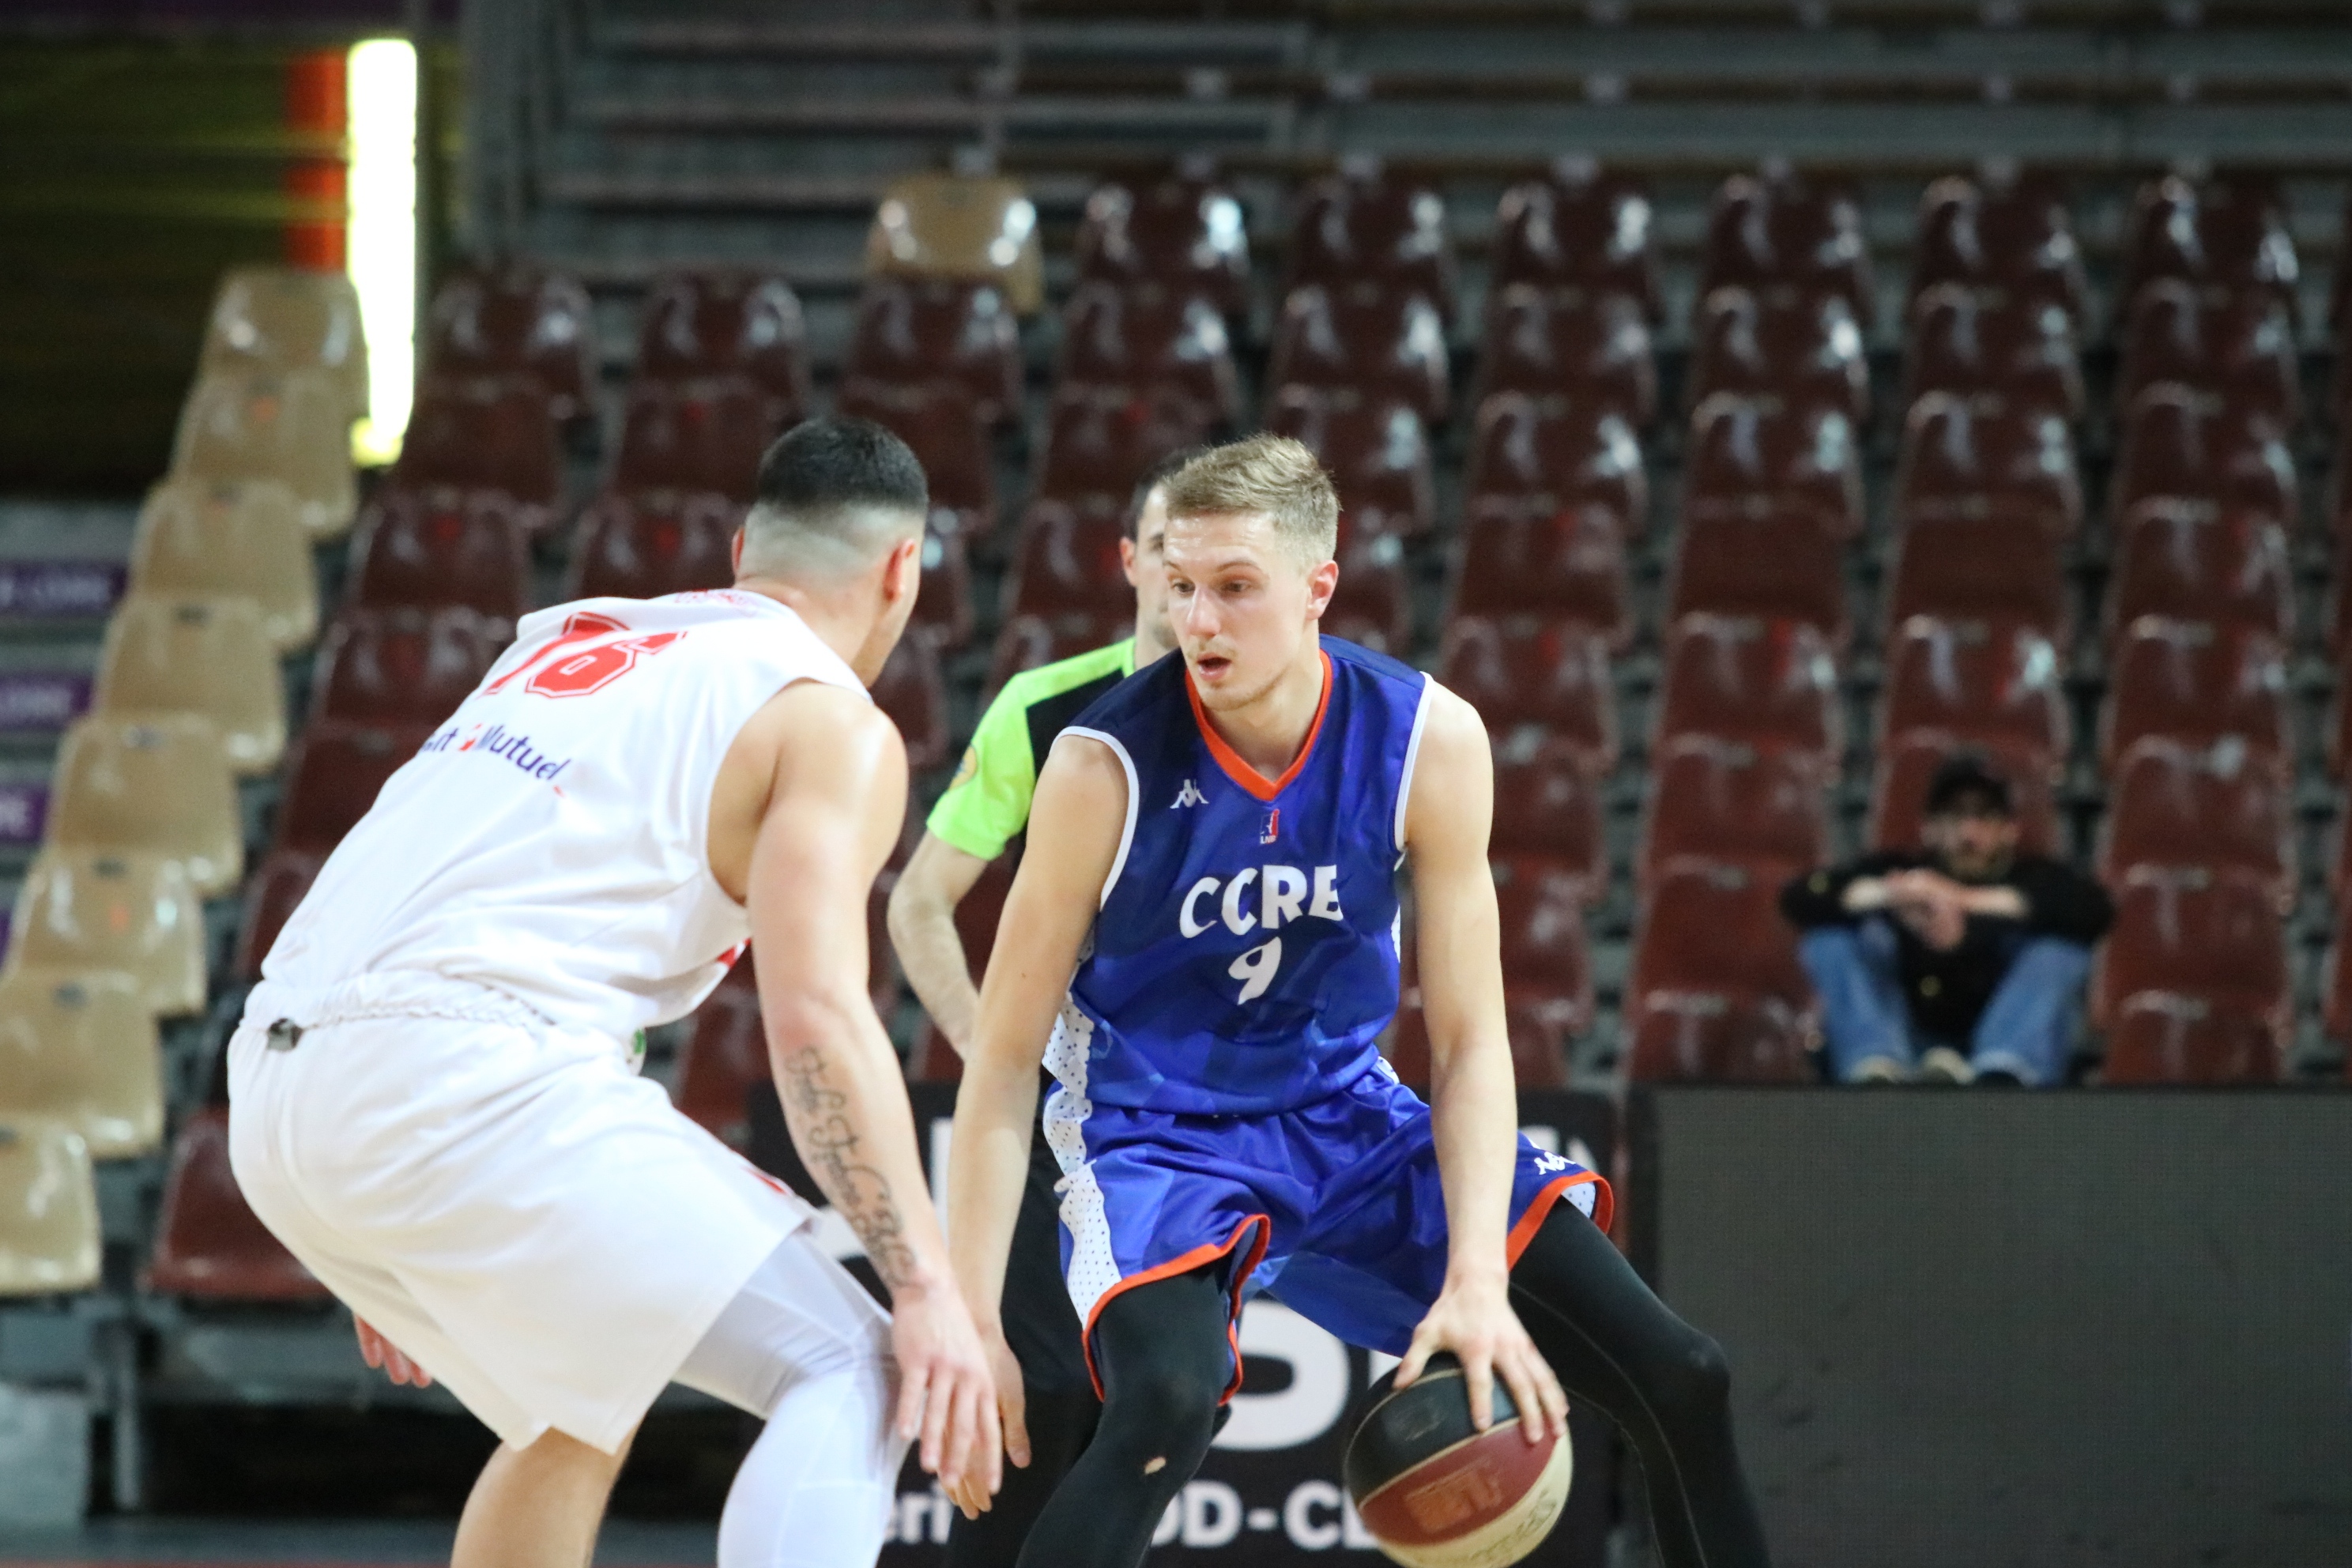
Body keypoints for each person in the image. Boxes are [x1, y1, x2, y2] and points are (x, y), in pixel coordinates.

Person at [944, 435, 1771, 1568]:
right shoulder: (1100, 767)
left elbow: (1473, 1042)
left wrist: (1478, 1280)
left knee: (1682, 1377)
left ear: (1317, 587)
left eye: (1236, 589)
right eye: (1180, 586)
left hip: (1346, 1116)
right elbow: (998, 1063)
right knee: (1165, 1408)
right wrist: (972, 1319)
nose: (1201, 622)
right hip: (1152, 1134)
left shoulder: (1427, 739)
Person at [227, 419, 998, 1568]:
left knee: (577, 1396)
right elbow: (819, 1020)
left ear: (741, 552)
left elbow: (412, 873)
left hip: (284, 1084)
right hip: (463, 1084)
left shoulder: (563, 645)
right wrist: (927, 1282)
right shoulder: (829, 718)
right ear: (905, 571)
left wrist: (383, 1184)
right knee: (862, 1362)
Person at [887, 452, 1187, 1567]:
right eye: (1165, 552)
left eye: (1211, 562)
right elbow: (919, 904)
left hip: (1189, 1127)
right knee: (1036, 1399)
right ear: (1131, 564)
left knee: (1152, 1412)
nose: (1183, 578)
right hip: (1058, 1118)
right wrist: (989, 1046)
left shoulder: (1262, 716)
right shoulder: (1047, 707)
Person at [1781, 752, 2114, 1086]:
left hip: (2001, 1043)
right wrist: (1892, 895)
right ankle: (1874, 1067)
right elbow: (1802, 898)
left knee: (2059, 951)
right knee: (1830, 941)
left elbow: (2094, 910)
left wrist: (1962, 901)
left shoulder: (2035, 876)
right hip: (1906, 1045)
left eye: (1984, 816)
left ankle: (2002, 1072)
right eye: (1955, 816)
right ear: (1929, 828)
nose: (1969, 831)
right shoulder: (1902, 869)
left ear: (2009, 830)